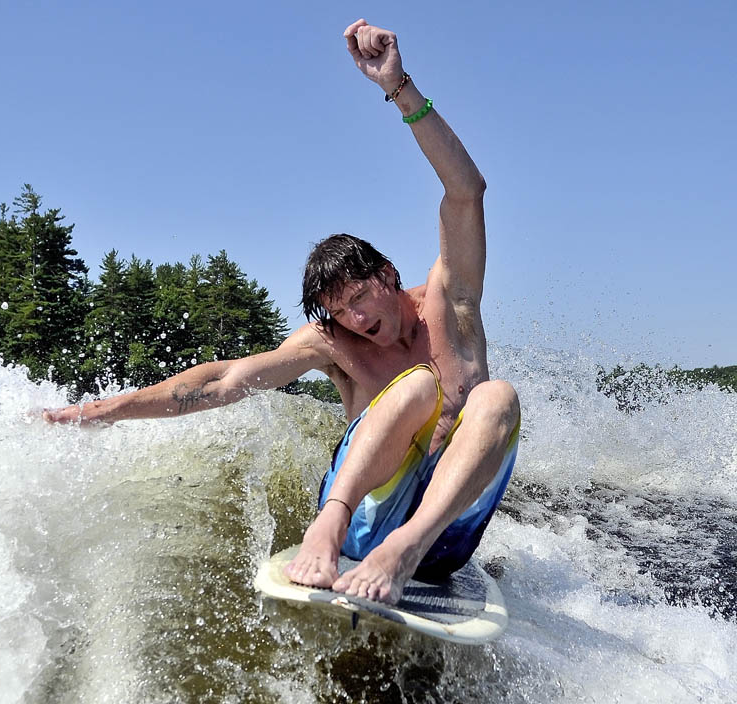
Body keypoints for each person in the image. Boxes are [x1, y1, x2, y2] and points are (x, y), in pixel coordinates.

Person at [44, 18, 521, 605]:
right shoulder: (334, 345)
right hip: (364, 517)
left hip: (443, 536)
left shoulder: (451, 300)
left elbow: (465, 191)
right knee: (418, 387)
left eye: (358, 297)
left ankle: (405, 551)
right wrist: (107, 410)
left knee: (496, 397)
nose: (354, 319)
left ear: (388, 275)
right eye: (338, 311)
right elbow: (226, 380)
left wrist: (399, 90)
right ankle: (329, 525)